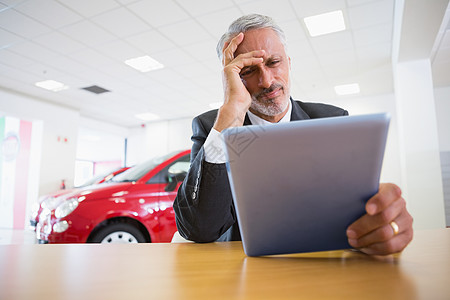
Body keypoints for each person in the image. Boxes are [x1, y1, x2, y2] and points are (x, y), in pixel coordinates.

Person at [173, 14, 413, 256]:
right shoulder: (211, 126)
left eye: (274, 62)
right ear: (232, 78)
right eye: (248, 70)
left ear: (288, 62)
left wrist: (379, 220)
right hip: (241, 269)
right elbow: (199, 228)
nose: (266, 81)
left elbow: (352, 209)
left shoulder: (332, 119)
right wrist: (231, 112)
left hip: (320, 261)